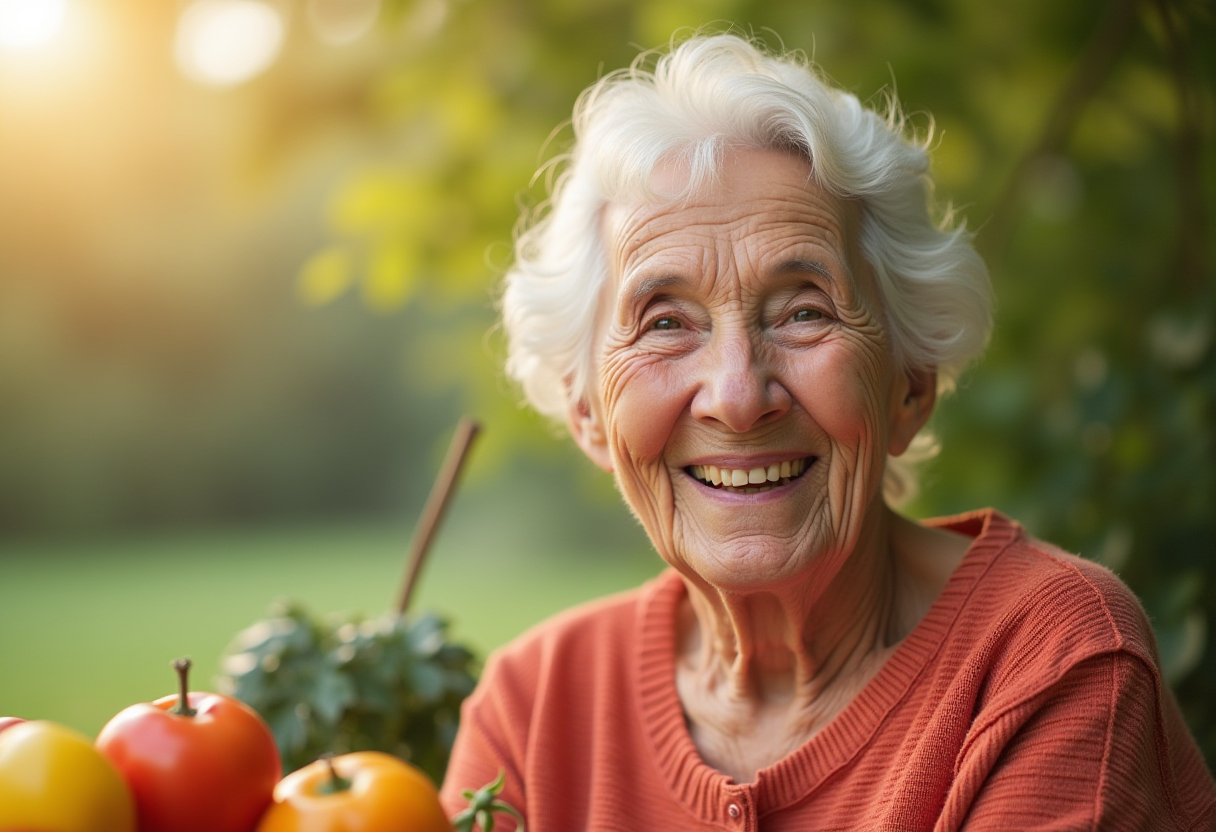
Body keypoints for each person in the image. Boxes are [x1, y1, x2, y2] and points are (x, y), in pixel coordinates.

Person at [438, 33, 1216, 830]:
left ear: (910, 383)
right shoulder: (532, 709)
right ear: (587, 412)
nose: (738, 397)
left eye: (804, 312)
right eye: (666, 323)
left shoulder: (1046, 658)